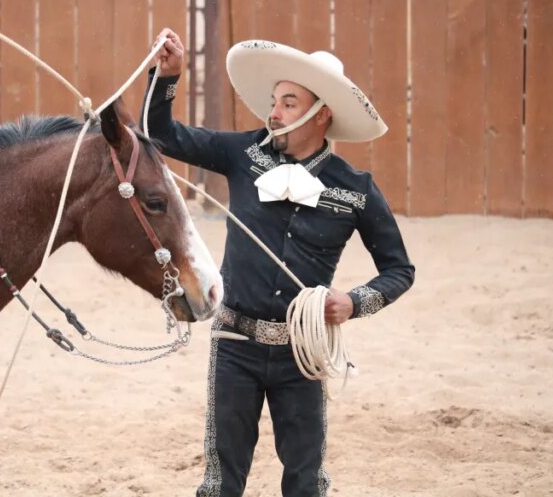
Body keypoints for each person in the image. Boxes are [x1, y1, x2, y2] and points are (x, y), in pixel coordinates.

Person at [141, 28, 415, 497]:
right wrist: (167, 79)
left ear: (320, 113)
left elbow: (399, 270)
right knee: (220, 481)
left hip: (302, 355)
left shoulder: (356, 190)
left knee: (306, 482)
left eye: (289, 102)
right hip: (234, 343)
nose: (274, 112)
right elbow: (161, 134)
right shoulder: (242, 153)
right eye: (275, 100)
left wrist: (355, 301)